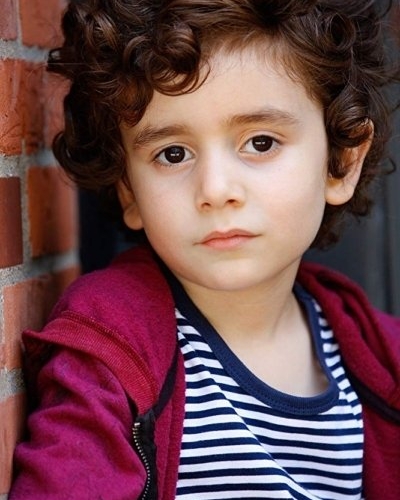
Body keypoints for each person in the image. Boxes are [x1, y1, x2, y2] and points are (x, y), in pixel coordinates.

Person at [9, 1, 400, 499]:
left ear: (341, 161)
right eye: (173, 154)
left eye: (261, 143)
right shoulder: (109, 344)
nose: (215, 190)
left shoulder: (383, 357)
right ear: (129, 190)